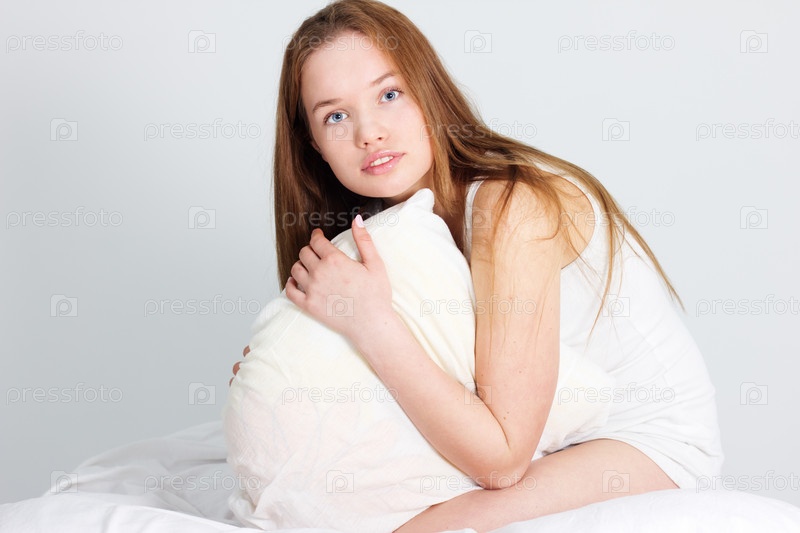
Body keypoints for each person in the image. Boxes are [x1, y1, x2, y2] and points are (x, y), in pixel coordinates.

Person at [230, 0, 724, 530]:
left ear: (428, 92)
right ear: (313, 144)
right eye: (336, 116)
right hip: (545, 433)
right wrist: (287, 368)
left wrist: (368, 321)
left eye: (389, 95)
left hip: (644, 442)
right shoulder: (386, 227)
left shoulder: (512, 206)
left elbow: (502, 460)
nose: (368, 133)